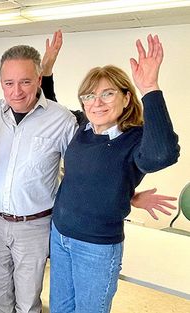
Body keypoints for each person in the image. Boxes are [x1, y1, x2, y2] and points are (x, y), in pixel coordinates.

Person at [0, 31, 178, 313]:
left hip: (36, 226)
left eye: (25, 82)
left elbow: (92, 166)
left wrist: (126, 193)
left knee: (28, 302)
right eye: (9, 83)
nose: (17, 91)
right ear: (1, 84)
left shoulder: (62, 119)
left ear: (38, 80)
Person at [49, 35, 179, 313]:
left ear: (126, 97)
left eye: (107, 93)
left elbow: (162, 155)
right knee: (60, 309)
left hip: (96, 247)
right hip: (60, 236)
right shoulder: (82, 127)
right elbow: (51, 106)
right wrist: (47, 70)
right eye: (89, 96)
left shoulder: (134, 139)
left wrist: (151, 89)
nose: (96, 102)